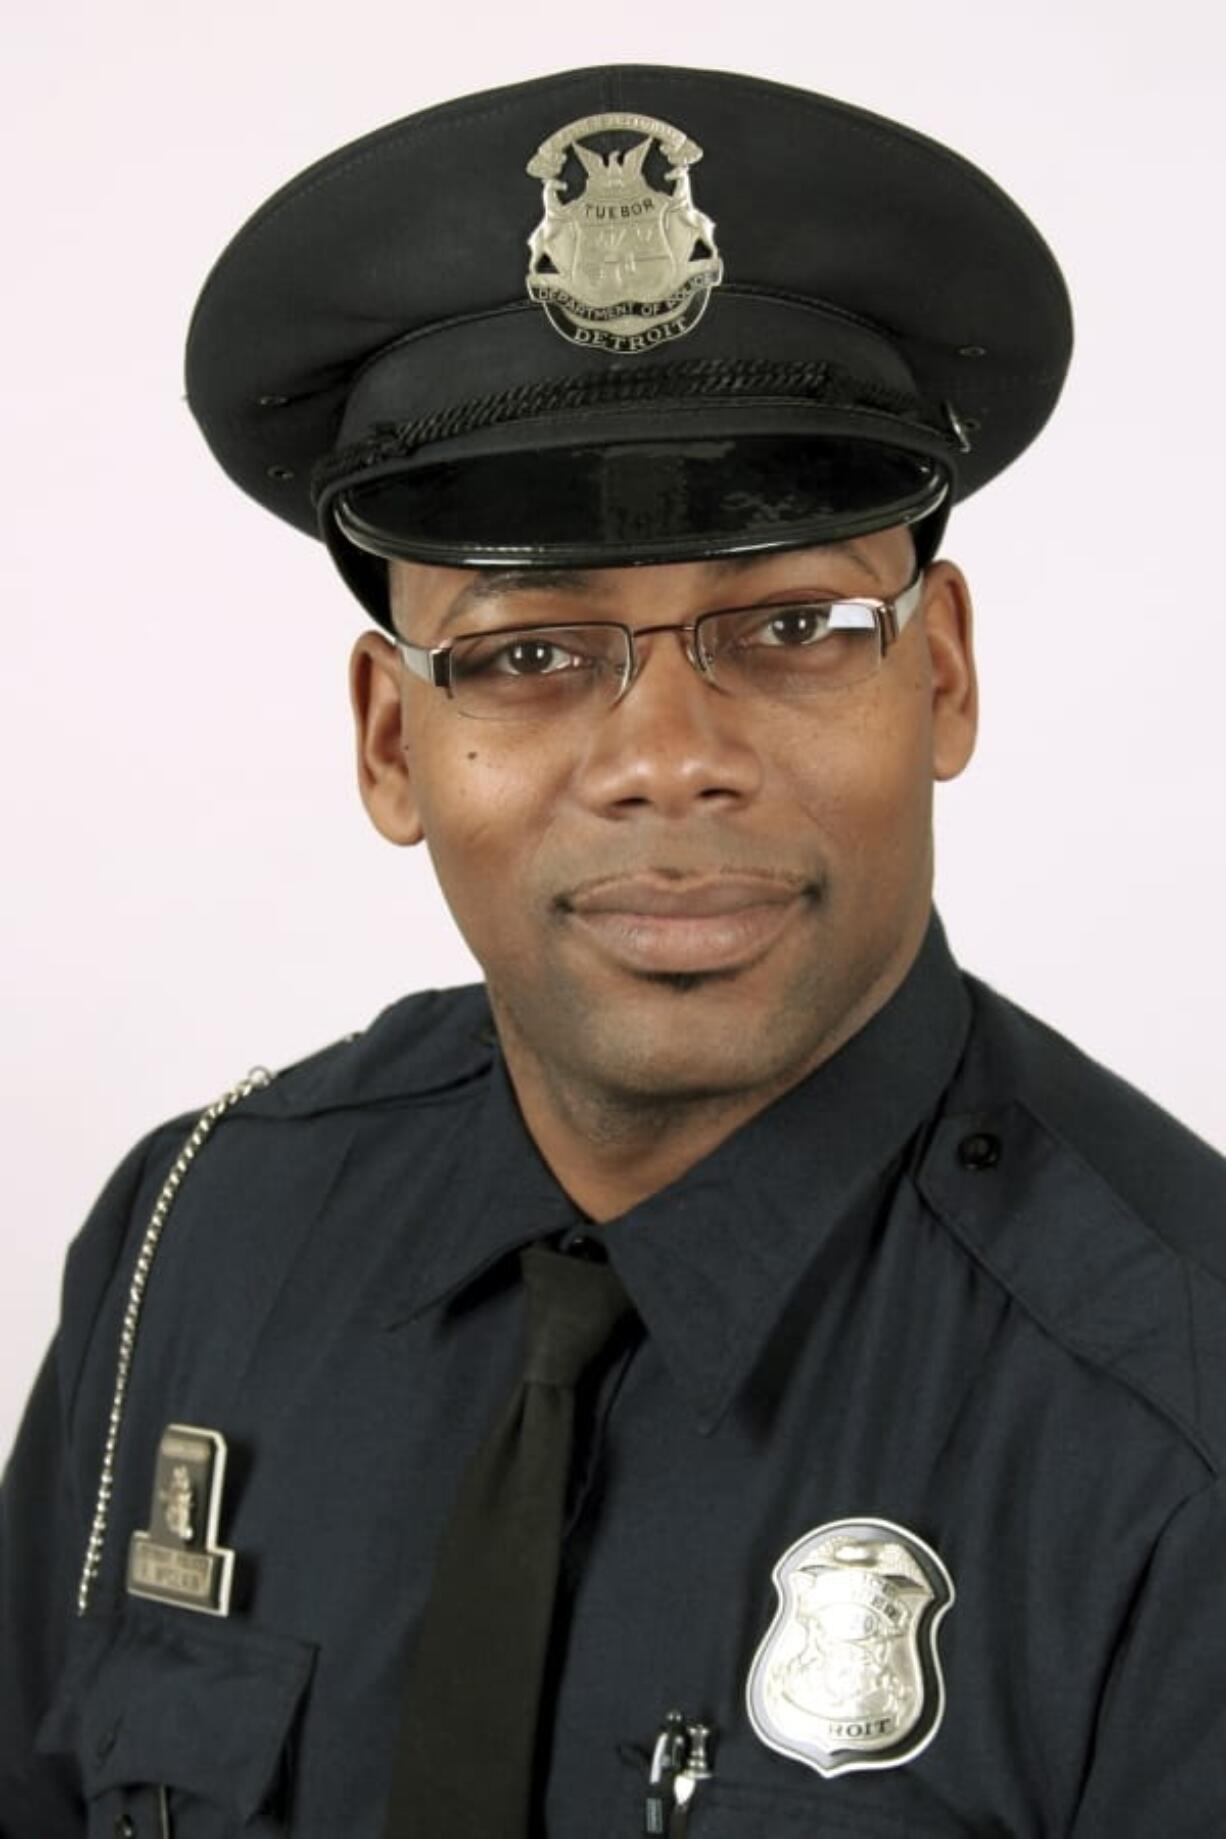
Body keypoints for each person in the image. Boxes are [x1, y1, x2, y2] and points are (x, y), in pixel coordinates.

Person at [2, 63, 1223, 1839]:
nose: (667, 756)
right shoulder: (195, 1243)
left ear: (940, 675)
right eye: (524, 654)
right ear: (384, 741)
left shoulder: (1179, 1417)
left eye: (795, 625)